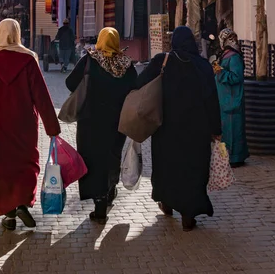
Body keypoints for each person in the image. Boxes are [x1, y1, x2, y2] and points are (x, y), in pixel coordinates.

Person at [0, 19, 61, 231]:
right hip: (24, 123)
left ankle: (8, 213)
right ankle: (22, 203)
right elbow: (41, 95)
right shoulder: (29, 60)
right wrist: (52, 128)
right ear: (18, 34)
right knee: (26, 163)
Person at [136, 26, 222, 232]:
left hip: (167, 129)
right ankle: (188, 213)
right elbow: (212, 100)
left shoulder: (161, 61)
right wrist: (216, 129)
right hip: (197, 131)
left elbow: (139, 83)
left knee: (168, 167)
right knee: (193, 169)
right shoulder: (202, 66)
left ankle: (166, 202)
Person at [65, 27, 136, 224]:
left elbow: (70, 83)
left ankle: (100, 203)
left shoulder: (90, 60)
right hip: (117, 122)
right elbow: (136, 88)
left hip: (90, 122)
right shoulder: (126, 64)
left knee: (92, 159)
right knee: (111, 157)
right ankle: (110, 188)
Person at [214, 28, 249, 167]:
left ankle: (235, 158)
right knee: (224, 132)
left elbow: (236, 77)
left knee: (233, 132)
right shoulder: (225, 55)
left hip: (232, 101)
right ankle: (224, 157)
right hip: (225, 100)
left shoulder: (233, 57)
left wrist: (221, 73)